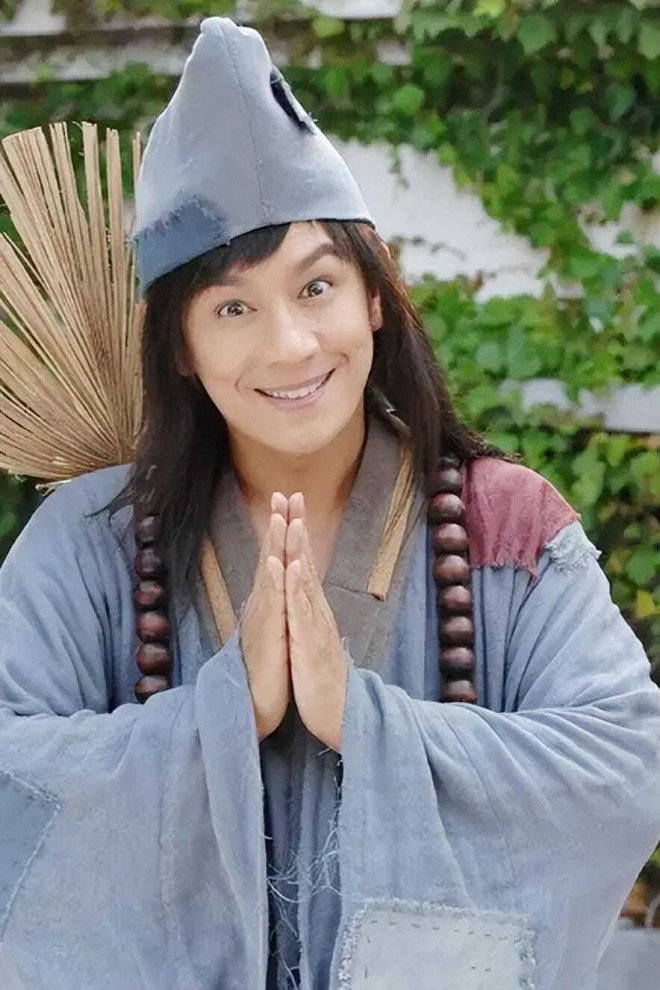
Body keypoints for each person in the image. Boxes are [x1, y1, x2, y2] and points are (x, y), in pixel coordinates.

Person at [0, 16, 658, 990]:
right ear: (174, 342)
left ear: (375, 297)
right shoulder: (87, 543)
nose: (291, 346)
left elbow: (624, 765)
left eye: (316, 287)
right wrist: (224, 717)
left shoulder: (506, 531)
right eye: (234, 307)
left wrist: (363, 719)